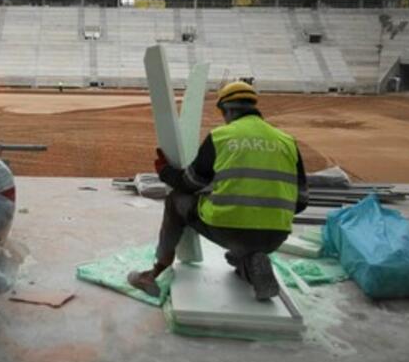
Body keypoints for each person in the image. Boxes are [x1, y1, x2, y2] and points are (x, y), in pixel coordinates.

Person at [128, 81, 308, 301]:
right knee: (243, 246)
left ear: (226, 110)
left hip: (229, 230)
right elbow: (301, 200)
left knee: (176, 200)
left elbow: (189, 183)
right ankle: (249, 261)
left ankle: (156, 270)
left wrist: (165, 171)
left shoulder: (221, 137)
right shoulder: (287, 141)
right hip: (275, 236)